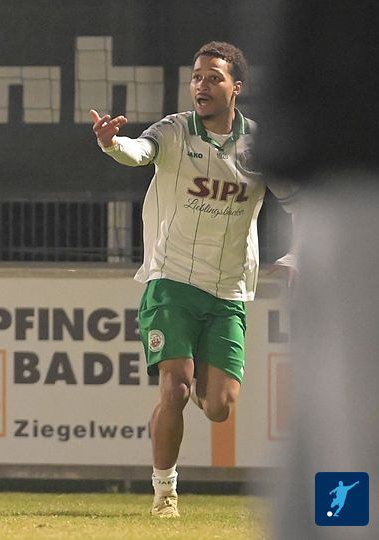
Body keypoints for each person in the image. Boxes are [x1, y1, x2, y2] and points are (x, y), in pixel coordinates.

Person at [88, 41, 299, 518]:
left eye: (213, 77)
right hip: (172, 280)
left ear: (236, 87)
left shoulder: (260, 145)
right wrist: (111, 143)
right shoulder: (175, 130)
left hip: (228, 290)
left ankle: (207, 382)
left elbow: (301, 201)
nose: (201, 85)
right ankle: (165, 493)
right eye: (197, 77)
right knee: (175, 388)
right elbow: (139, 152)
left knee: (219, 407)